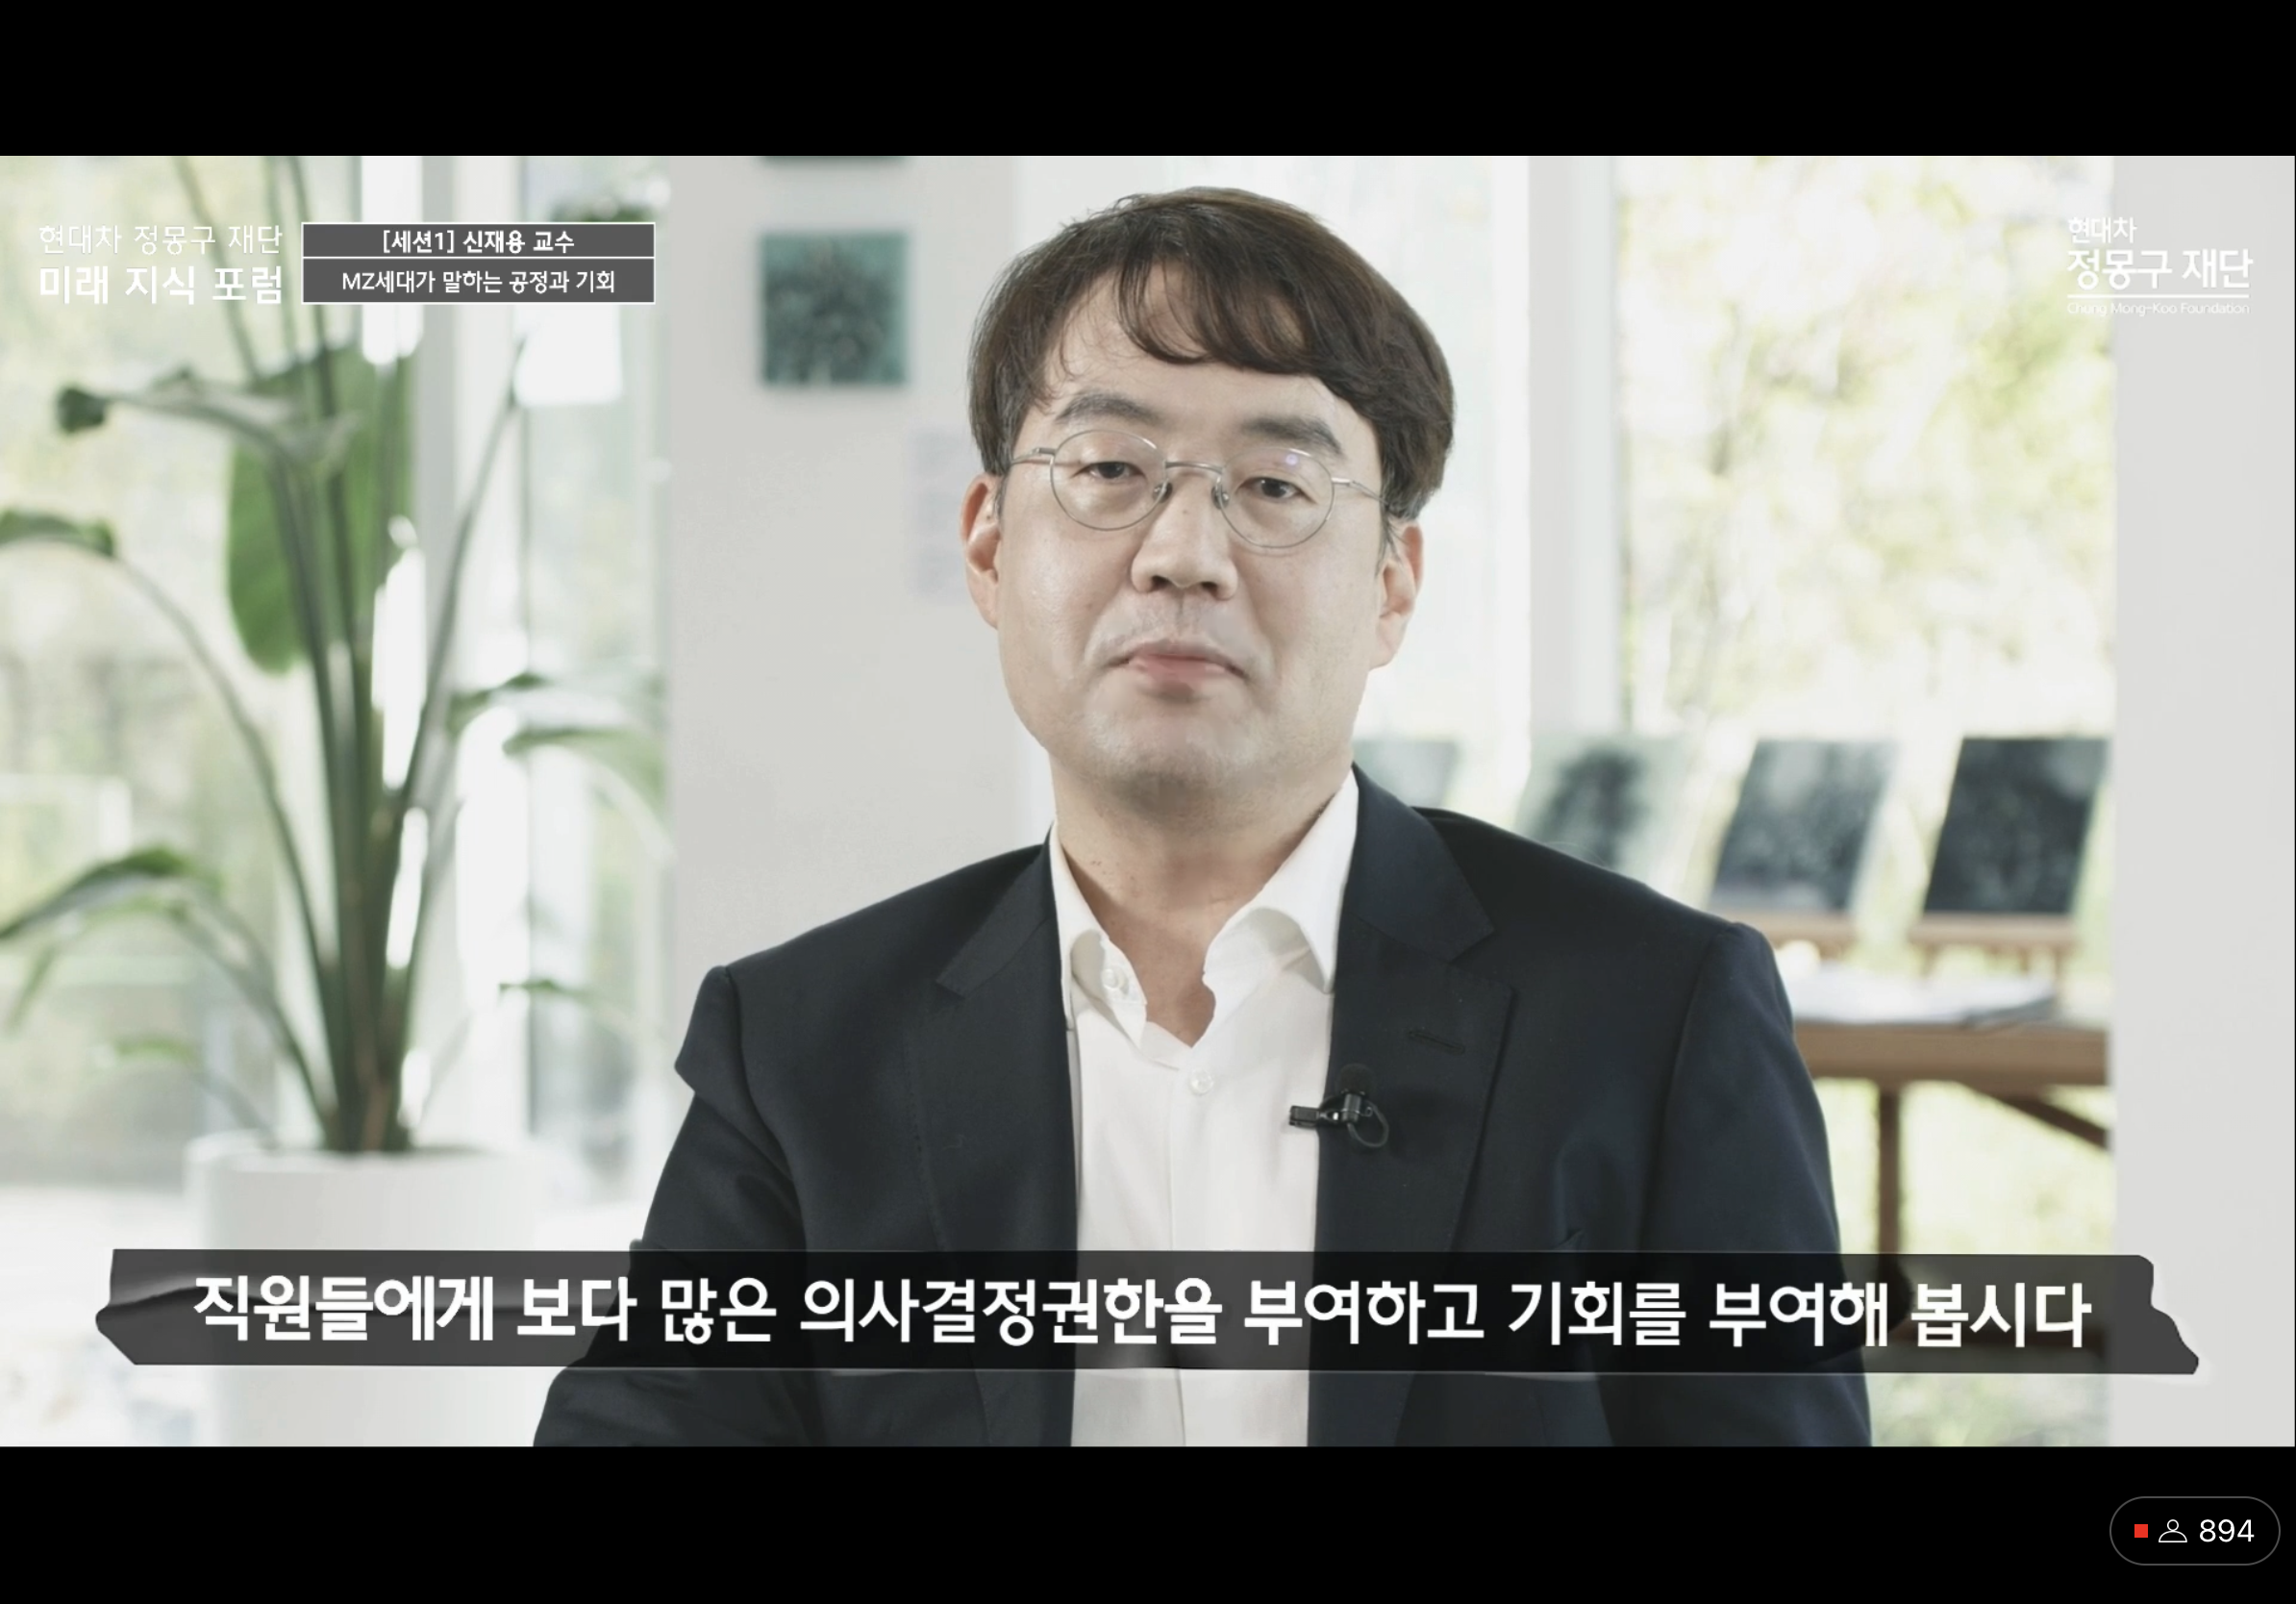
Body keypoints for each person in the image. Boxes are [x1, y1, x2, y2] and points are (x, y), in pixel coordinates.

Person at [536, 188, 1869, 1445]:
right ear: (991, 545)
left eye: (1277, 486)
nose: (1183, 553)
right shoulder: (801, 1050)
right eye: (1111, 469)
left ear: (1393, 583)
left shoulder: (1657, 1018)